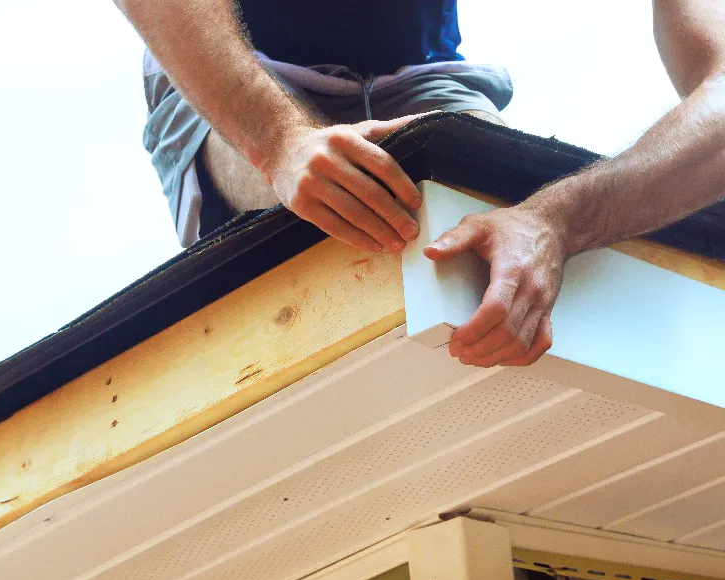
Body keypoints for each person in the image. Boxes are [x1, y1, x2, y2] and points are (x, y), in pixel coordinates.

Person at [115, 0, 725, 368]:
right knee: (373, 213)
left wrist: (556, 220)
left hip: (424, 81)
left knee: (491, 262)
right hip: (243, 70)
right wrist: (279, 145)